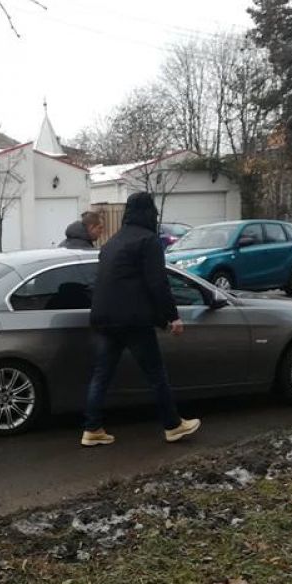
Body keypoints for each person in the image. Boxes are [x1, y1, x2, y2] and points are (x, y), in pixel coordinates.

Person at [80, 191, 200, 447]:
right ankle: (173, 426)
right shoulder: (147, 240)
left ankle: (92, 429)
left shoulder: (112, 242)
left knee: (101, 375)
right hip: (133, 320)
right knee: (156, 375)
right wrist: (172, 317)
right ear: (150, 213)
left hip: (104, 318)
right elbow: (157, 283)